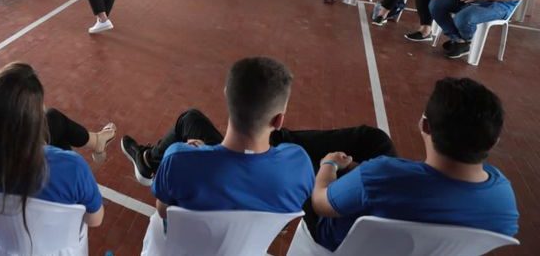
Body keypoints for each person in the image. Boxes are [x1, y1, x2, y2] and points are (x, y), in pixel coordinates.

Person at [120, 57, 394, 219]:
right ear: (279, 120)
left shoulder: (179, 159)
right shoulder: (298, 164)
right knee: (372, 140)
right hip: (252, 232)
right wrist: (333, 166)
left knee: (189, 119)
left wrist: (197, 153)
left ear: (227, 95)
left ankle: (147, 160)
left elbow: (163, 212)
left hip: (202, 181)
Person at [310, 78, 518, 251]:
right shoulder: (505, 205)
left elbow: (320, 204)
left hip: (337, 243)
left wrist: (329, 164)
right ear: (493, 141)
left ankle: (282, 140)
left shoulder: (381, 176)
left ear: (425, 125)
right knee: (375, 139)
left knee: (304, 167)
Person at [0, 63, 106, 234]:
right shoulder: (72, 167)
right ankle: (97, 141)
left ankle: (96, 140)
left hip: (2, 246)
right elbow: (95, 220)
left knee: (54, 121)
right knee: (55, 128)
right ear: (34, 118)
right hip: (58, 246)